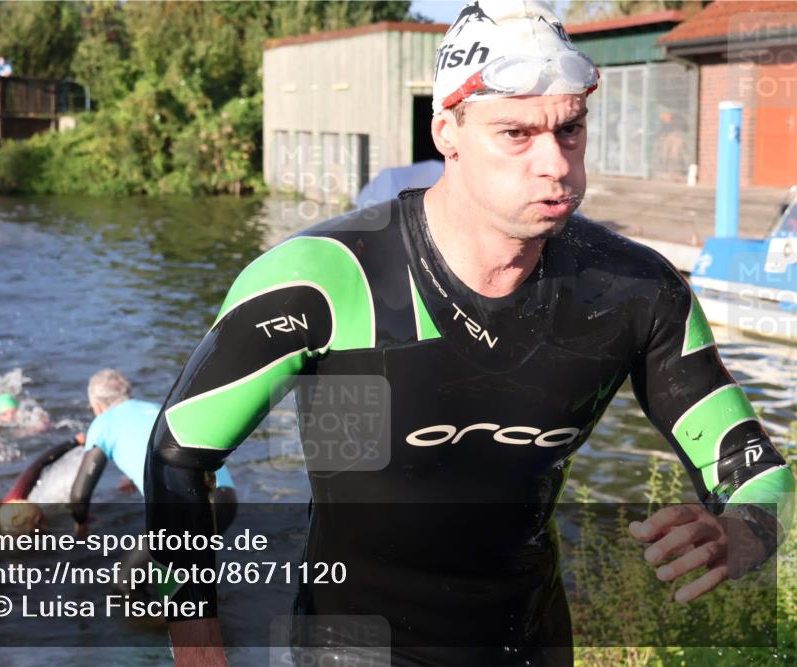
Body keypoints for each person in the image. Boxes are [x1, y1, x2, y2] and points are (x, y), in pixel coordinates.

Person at [143, 2, 795, 665]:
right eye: (516, 133)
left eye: (570, 130)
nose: (555, 164)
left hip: (529, 644)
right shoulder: (325, 278)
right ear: (447, 131)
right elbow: (177, 455)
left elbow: (759, 474)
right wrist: (199, 651)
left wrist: (743, 531)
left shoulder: (635, 293)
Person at [72, 369, 236, 539]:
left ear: (97, 406)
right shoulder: (157, 408)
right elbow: (164, 446)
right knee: (190, 562)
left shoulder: (102, 423)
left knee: (130, 567)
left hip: (184, 505)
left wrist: (81, 522)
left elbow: (79, 496)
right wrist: (136, 477)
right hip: (225, 499)